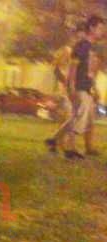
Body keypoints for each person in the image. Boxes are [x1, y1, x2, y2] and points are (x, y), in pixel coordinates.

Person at [62, 15, 105, 160]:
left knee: (85, 118)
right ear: (91, 28)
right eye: (100, 28)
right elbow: (73, 67)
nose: (102, 31)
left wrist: (95, 88)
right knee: (82, 115)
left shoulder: (91, 47)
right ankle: (68, 146)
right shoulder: (81, 45)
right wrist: (71, 86)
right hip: (79, 87)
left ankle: (69, 147)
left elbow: (90, 72)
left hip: (87, 88)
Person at [45, 23, 86, 154]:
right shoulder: (66, 51)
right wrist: (66, 82)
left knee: (69, 118)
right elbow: (56, 69)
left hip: (72, 88)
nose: (81, 38)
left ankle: (61, 145)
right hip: (66, 90)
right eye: (79, 36)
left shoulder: (79, 52)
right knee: (70, 118)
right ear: (75, 36)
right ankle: (64, 146)